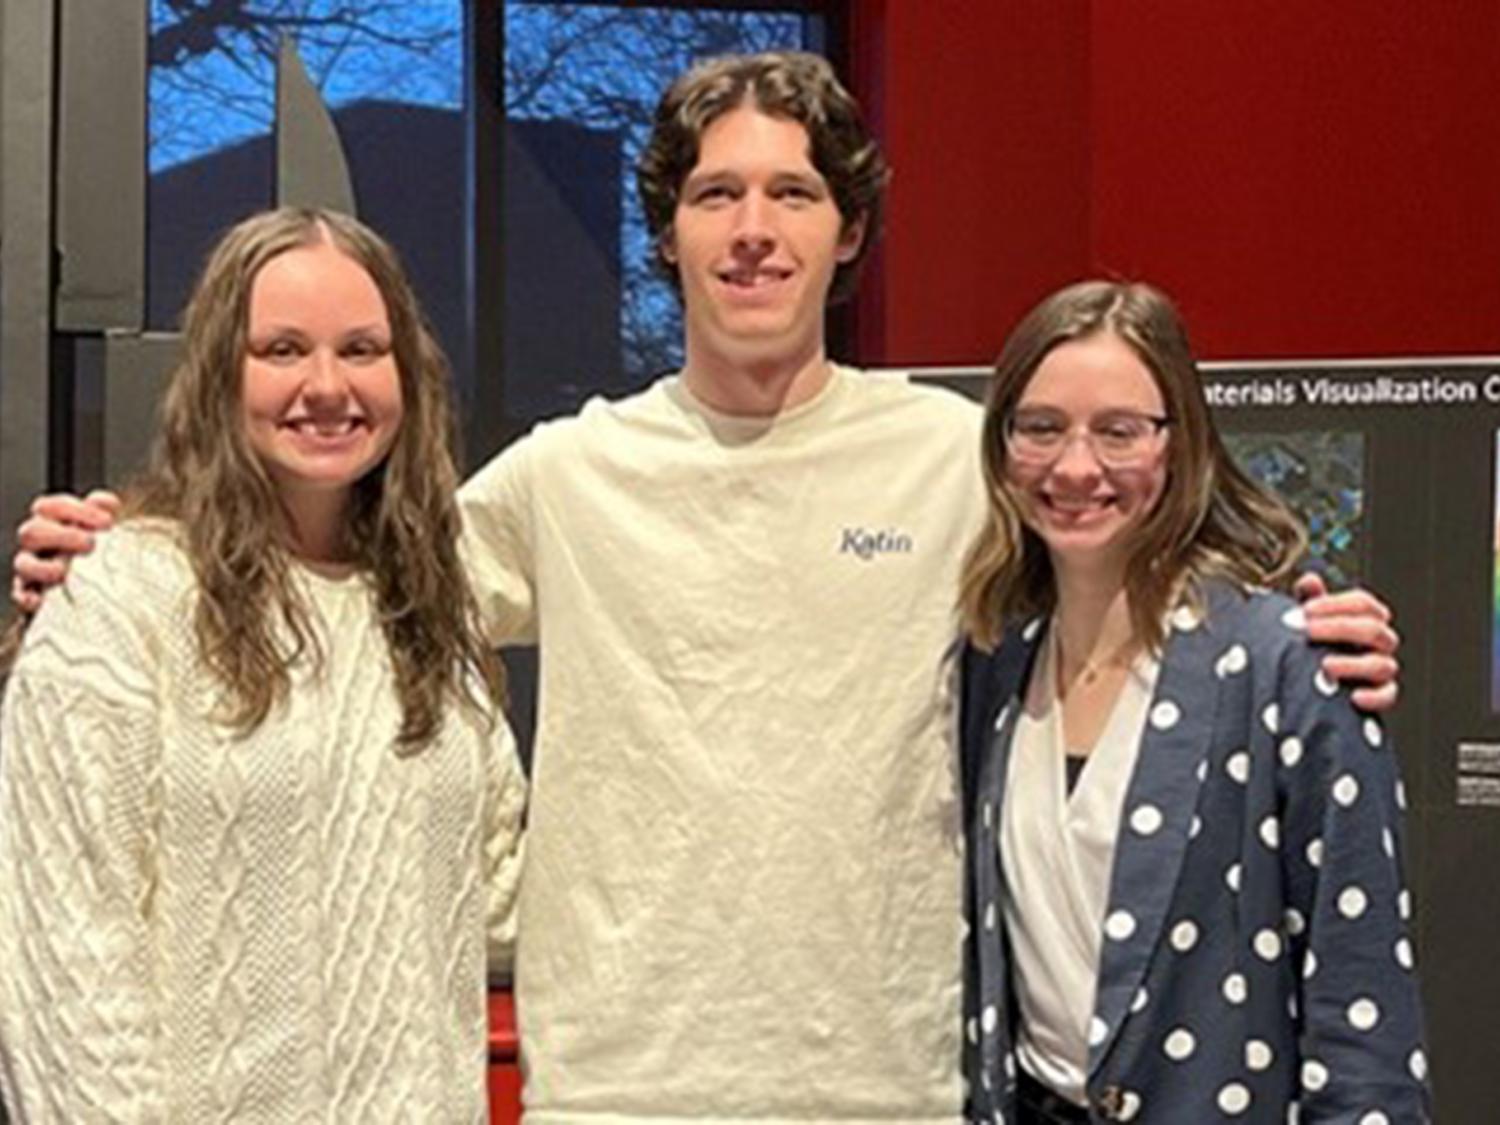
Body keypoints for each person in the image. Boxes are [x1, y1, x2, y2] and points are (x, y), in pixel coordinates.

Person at [9, 55, 1399, 1123]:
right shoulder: (569, 475)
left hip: (888, 1089)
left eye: (793, 194)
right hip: (617, 1092)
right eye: (715, 195)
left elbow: (1125, 538)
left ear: (849, 233)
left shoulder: (952, 459)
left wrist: (1308, 621)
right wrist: (131, 544)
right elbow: (342, 569)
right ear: (667, 232)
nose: (753, 230)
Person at [0, 208, 526, 1123]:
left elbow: (496, 903)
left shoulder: (432, 615)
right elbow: (66, 969)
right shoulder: (120, 599)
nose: (327, 384)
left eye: (361, 348)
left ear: (407, 373)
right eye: (282, 349)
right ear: (217, 374)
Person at [957, 281, 1428, 1123]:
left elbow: (1363, 1016)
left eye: (1118, 431)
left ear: (1180, 443)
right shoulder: (992, 668)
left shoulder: (1290, 667)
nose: (1075, 466)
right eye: (1042, 427)